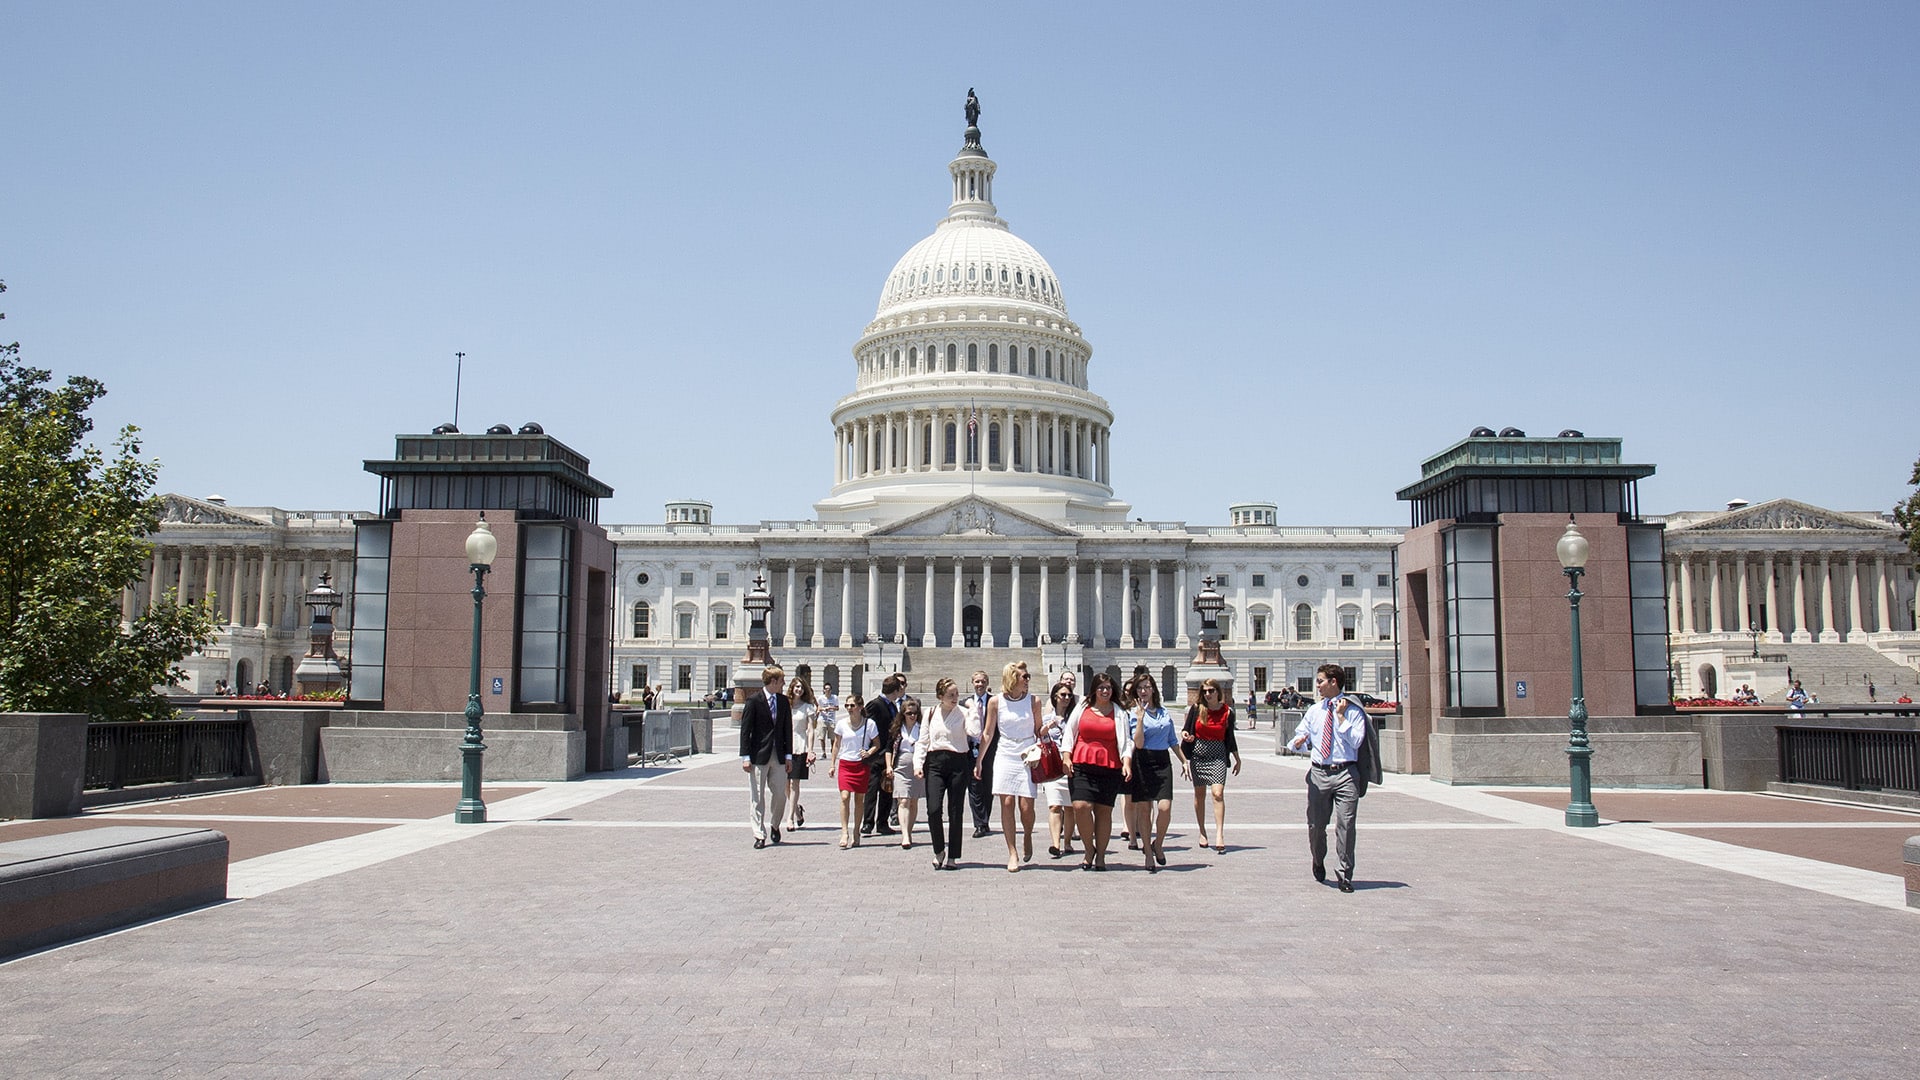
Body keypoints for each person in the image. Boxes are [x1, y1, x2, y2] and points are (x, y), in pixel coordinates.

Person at [1288, 663, 1382, 893]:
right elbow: (1300, 737)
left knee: (1346, 825)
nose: (1317, 685)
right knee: (1316, 826)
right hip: (1319, 773)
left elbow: (1357, 741)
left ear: (1333, 682)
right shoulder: (1314, 711)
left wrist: (1340, 718)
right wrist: (1299, 742)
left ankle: (1344, 874)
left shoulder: (1352, 710)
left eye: (1320, 681)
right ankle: (1318, 859)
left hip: (1346, 773)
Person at [1060, 671, 1132, 871]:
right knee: (1080, 806)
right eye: (1101, 687)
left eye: (1108, 687)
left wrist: (1126, 763)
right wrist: (1066, 756)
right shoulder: (1083, 707)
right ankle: (1088, 849)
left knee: (1103, 812)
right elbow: (1069, 732)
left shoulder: (1118, 712)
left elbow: (1126, 742)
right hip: (1082, 762)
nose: (1105, 691)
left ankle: (1100, 855)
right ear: (1094, 689)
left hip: (1109, 766)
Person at [976, 661, 1041, 872]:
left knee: (1026, 807)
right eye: (1024, 677)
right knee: (1006, 803)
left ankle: (1028, 835)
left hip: (1027, 752)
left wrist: (1047, 732)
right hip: (1005, 752)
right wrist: (979, 761)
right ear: (1012, 679)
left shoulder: (1034, 701)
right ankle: (1012, 852)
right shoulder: (995, 702)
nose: (1028, 680)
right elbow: (988, 733)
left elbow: (1039, 730)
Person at [1125, 674, 1181, 872]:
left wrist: (1184, 761)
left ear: (1153, 689)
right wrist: (1140, 719)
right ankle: (1148, 851)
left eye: (1147, 687)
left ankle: (1159, 843)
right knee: (1144, 809)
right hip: (1143, 761)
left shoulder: (1164, 712)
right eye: (1140, 688)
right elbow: (1138, 742)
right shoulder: (1133, 713)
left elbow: (1173, 740)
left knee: (1165, 807)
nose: (1143, 691)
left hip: (1162, 761)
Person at [915, 677, 971, 870]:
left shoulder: (964, 713)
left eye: (956, 694)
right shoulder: (930, 713)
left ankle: (953, 856)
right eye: (951, 695)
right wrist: (918, 764)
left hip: (958, 762)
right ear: (940, 696)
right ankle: (939, 849)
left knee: (955, 810)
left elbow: (975, 732)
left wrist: (974, 713)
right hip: (935, 763)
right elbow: (922, 741)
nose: (955, 698)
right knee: (933, 809)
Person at [1182, 678, 1241, 852]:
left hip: (1218, 755)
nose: (1208, 694)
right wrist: (1186, 736)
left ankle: (1219, 834)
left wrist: (1237, 758)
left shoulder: (1227, 712)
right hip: (1199, 754)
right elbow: (1186, 729)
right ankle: (1202, 832)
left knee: (1218, 793)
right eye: (1205, 691)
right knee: (1199, 794)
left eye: (1211, 691)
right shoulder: (1196, 709)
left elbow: (1230, 737)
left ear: (1218, 692)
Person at [737, 664, 793, 850]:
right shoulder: (754, 700)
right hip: (758, 755)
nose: (784, 684)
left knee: (780, 795)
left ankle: (775, 824)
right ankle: (759, 834)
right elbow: (746, 730)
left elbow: (787, 729)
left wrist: (788, 755)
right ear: (773, 681)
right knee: (757, 797)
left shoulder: (783, 701)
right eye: (781, 681)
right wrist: (745, 756)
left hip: (778, 755)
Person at [832, 693, 879, 849]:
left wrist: (869, 752)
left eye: (852, 705)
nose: (849, 708)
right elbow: (836, 745)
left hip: (861, 764)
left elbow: (877, 744)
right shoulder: (841, 724)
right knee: (844, 797)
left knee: (859, 799)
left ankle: (856, 831)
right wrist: (833, 764)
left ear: (860, 707)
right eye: (847, 705)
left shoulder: (870, 724)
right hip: (846, 763)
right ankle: (844, 832)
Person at [1040, 679, 1079, 859]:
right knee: (1055, 805)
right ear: (1054, 697)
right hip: (1054, 766)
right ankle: (1055, 843)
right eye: (1062, 695)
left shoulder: (1076, 719)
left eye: (1069, 695)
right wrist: (1048, 727)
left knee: (1070, 807)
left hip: (1071, 764)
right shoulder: (1047, 718)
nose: (1066, 698)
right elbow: (1039, 737)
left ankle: (1068, 842)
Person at [861, 675, 903, 836]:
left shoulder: (893, 706)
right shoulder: (875, 704)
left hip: (889, 753)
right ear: (896, 690)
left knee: (887, 789)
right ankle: (868, 822)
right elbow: (868, 728)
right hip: (876, 754)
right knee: (872, 789)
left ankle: (882, 822)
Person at [887, 696, 925, 849]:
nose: (912, 716)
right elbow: (888, 748)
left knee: (913, 801)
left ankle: (908, 831)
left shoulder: (922, 729)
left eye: (915, 713)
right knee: (903, 800)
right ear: (903, 714)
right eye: (909, 713)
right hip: (901, 767)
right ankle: (905, 835)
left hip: (917, 767)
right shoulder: (896, 729)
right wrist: (889, 766)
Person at [782, 677, 819, 832]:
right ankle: (797, 809)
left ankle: (789, 818)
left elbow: (811, 730)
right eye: (797, 687)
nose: (799, 689)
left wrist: (810, 750)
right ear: (791, 688)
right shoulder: (785, 705)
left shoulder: (808, 707)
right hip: (784, 746)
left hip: (799, 745)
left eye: (802, 687)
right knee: (784, 784)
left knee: (794, 783)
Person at [963, 670, 995, 838]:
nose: (980, 685)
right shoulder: (964, 703)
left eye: (983, 681)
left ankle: (985, 819)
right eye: (977, 682)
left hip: (990, 750)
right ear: (972, 683)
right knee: (974, 786)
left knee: (988, 787)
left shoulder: (994, 701)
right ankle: (979, 823)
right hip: (971, 750)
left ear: (987, 682)